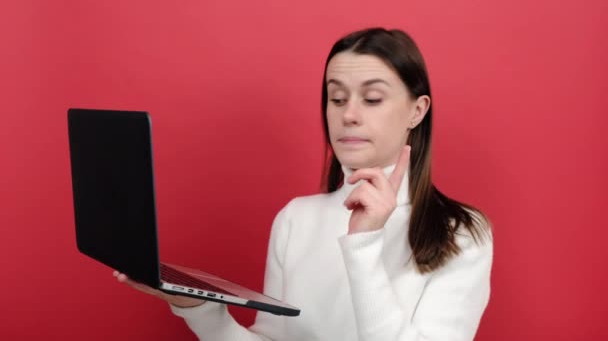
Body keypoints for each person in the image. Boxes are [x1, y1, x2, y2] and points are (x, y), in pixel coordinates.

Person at [114, 27, 493, 341]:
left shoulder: (461, 233)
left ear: (417, 110)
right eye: (336, 97)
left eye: (372, 98)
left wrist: (363, 244)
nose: (350, 115)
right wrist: (195, 306)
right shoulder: (296, 218)